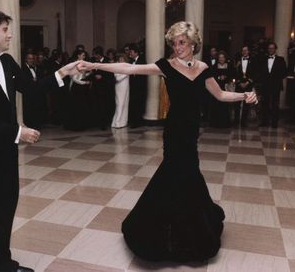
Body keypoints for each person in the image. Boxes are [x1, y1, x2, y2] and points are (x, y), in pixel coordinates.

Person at [78, 21, 257, 263]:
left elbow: (221, 94)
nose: (177, 47)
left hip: (192, 131)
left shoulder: (204, 68)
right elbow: (130, 69)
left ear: (193, 43)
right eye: (174, 42)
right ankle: (162, 230)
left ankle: (192, 226)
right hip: (174, 130)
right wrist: (94, 64)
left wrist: (244, 96)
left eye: (182, 42)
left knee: (189, 172)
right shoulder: (166, 66)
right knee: (176, 172)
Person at [0, 8, 81, 272]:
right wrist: (17, 132)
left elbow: (33, 89)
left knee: (7, 201)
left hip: (7, 148)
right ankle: (0, 262)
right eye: (5, 29)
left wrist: (63, 73)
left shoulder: (7, 61)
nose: (10, 34)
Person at [259, 42, 287, 128]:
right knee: (265, 104)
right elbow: (261, 72)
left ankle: (274, 123)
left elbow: (284, 73)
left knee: (275, 104)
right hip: (265, 85)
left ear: (275, 49)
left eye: (272, 48)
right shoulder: (263, 59)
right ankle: (265, 122)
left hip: (276, 85)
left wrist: (275, 78)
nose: (270, 49)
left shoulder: (281, 59)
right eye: (269, 48)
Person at [64, 49, 92, 131]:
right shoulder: (74, 64)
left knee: (80, 107)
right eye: (83, 55)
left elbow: (81, 76)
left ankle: (80, 125)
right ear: (78, 56)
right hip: (76, 88)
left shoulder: (82, 64)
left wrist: (89, 73)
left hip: (80, 88)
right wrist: (85, 83)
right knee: (76, 107)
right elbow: (74, 79)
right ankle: (75, 126)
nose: (84, 56)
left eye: (84, 55)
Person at [209, 51, 235, 128]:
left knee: (225, 106)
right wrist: (218, 78)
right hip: (216, 87)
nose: (221, 59)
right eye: (220, 57)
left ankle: (224, 123)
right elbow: (211, 76)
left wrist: (227, 79)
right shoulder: (214, 67)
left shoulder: (229, 66)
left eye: (223, 57)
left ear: (225, 58)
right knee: (216, 105)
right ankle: (215, 123)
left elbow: (233, 76)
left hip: (226, 88)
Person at [128, 43, 147, 128]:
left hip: (140, 86)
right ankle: (134, 121)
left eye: (131, 52)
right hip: (132, 86)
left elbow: (144, 74)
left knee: (139, 104)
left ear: (136, 52)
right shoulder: (130, 61)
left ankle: (138, 122)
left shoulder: (142, 60)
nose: (130, 53)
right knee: (133, 104)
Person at [111, 53, 130, 128]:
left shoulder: (127, 66)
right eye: (120, 58)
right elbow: (116, 76)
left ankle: (122, 122)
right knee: (119, 103)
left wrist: (120, 75)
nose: (121, 59)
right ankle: (116, 122)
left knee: (124, 103)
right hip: (118, 87)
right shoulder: (117, 65)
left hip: (125, 87)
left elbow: (120, 77)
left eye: (122, 58)